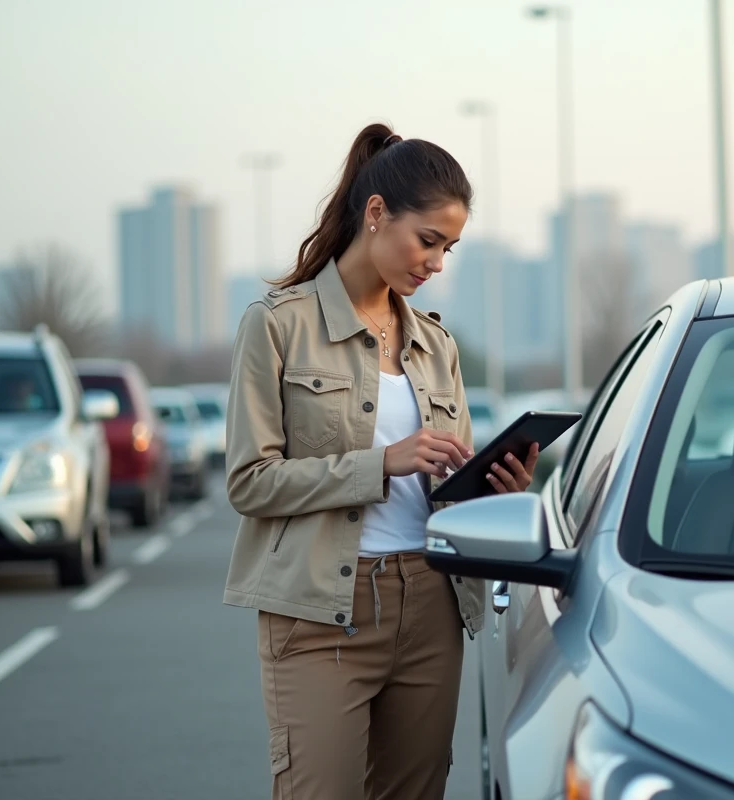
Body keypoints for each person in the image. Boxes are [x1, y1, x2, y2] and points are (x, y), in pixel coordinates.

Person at [223, 122, 539, 800]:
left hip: (431, 604)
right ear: (375, 215)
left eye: (449, 248)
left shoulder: (437, 345)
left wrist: (492, 490)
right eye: (428, 240)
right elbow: (250, 483)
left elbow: (439, 486)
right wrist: (379, 463)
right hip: (318, 612)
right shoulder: (278, 325)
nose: (436, 263)